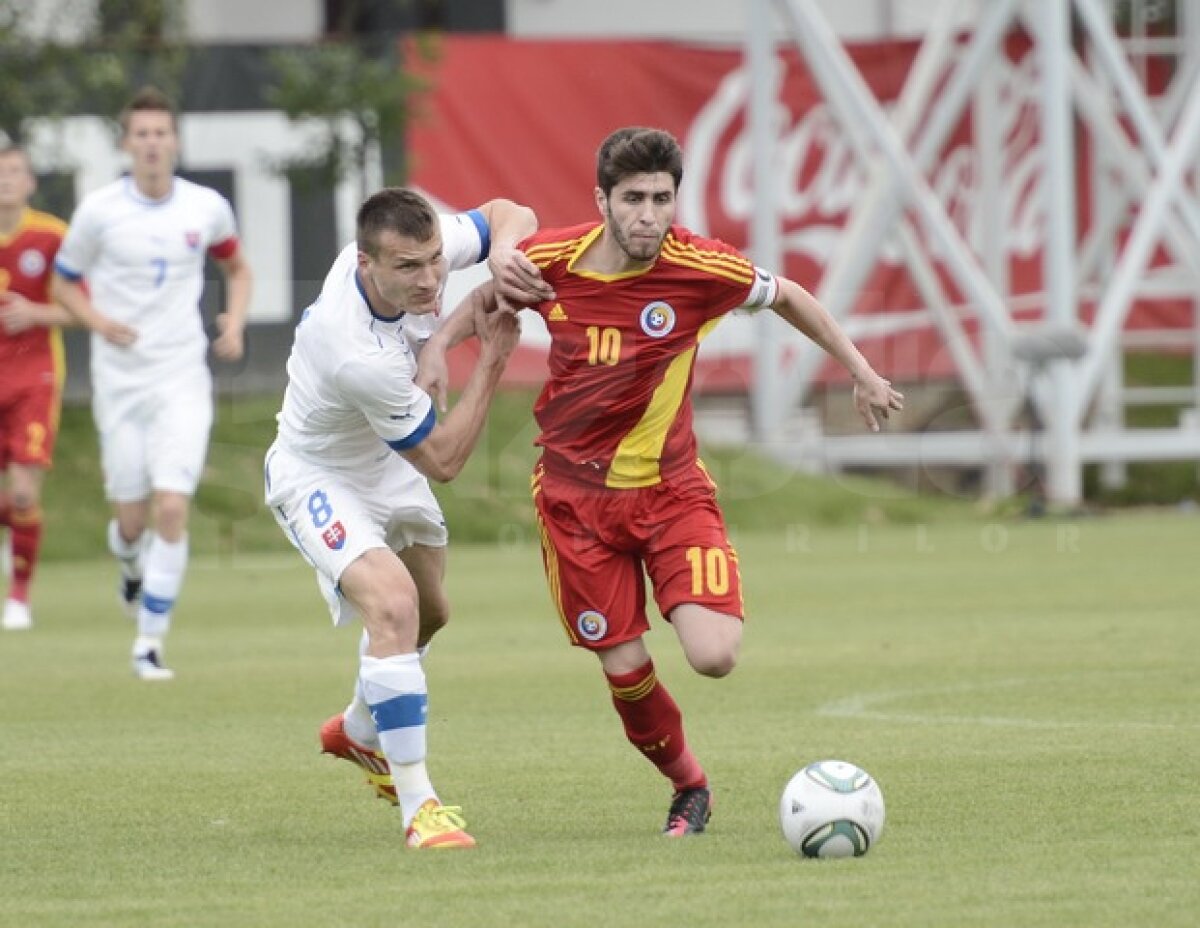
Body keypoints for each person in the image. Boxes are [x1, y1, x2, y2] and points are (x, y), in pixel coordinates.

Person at [459, 126, 901, 837]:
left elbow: (787, 295)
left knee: (714, 655)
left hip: (670, 496)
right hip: (574, 504)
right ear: (601, 200)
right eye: (633, 198)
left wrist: (861, 369)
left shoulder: (700, 268)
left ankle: (682, 614)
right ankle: (689, 785)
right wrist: (428, 357)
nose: (649, 215)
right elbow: (485, 301)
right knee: (626, 668)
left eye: (662, 198)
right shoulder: (551, 260)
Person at [264, 187, 552, 850]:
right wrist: (494, 356)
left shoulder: (422, 249)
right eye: (408, 270)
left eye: (434, 262)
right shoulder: (353, 351)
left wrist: (501, 256)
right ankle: (420, 806)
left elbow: (515, 211)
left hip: (385, 462)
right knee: (392, 606)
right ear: (366, 264)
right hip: (319, 474)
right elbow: (445, 460)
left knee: (431, 610)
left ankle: (360, 731)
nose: (430, 280)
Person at [51, 86, 253, 680]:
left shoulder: (205, 207)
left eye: (161, 133)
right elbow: (63, 283)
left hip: (181, 376)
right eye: (140, 134)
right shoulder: (99, 212)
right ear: (125, 144)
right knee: (132, 522)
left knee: (171, 507)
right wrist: (96, 321)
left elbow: (237, 267)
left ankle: (149, 641)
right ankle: (130, 566)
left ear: (175, 141)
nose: (152, 144)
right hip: (121, 382)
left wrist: (234, 320)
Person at [0, 142, 75, 631]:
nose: (5, 179)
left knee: (24, 493)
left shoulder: (52, 237)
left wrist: (34, 313)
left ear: (29, 182)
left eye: (14, 171)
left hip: (34, 376)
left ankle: (19, 596)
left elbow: (80, 309)